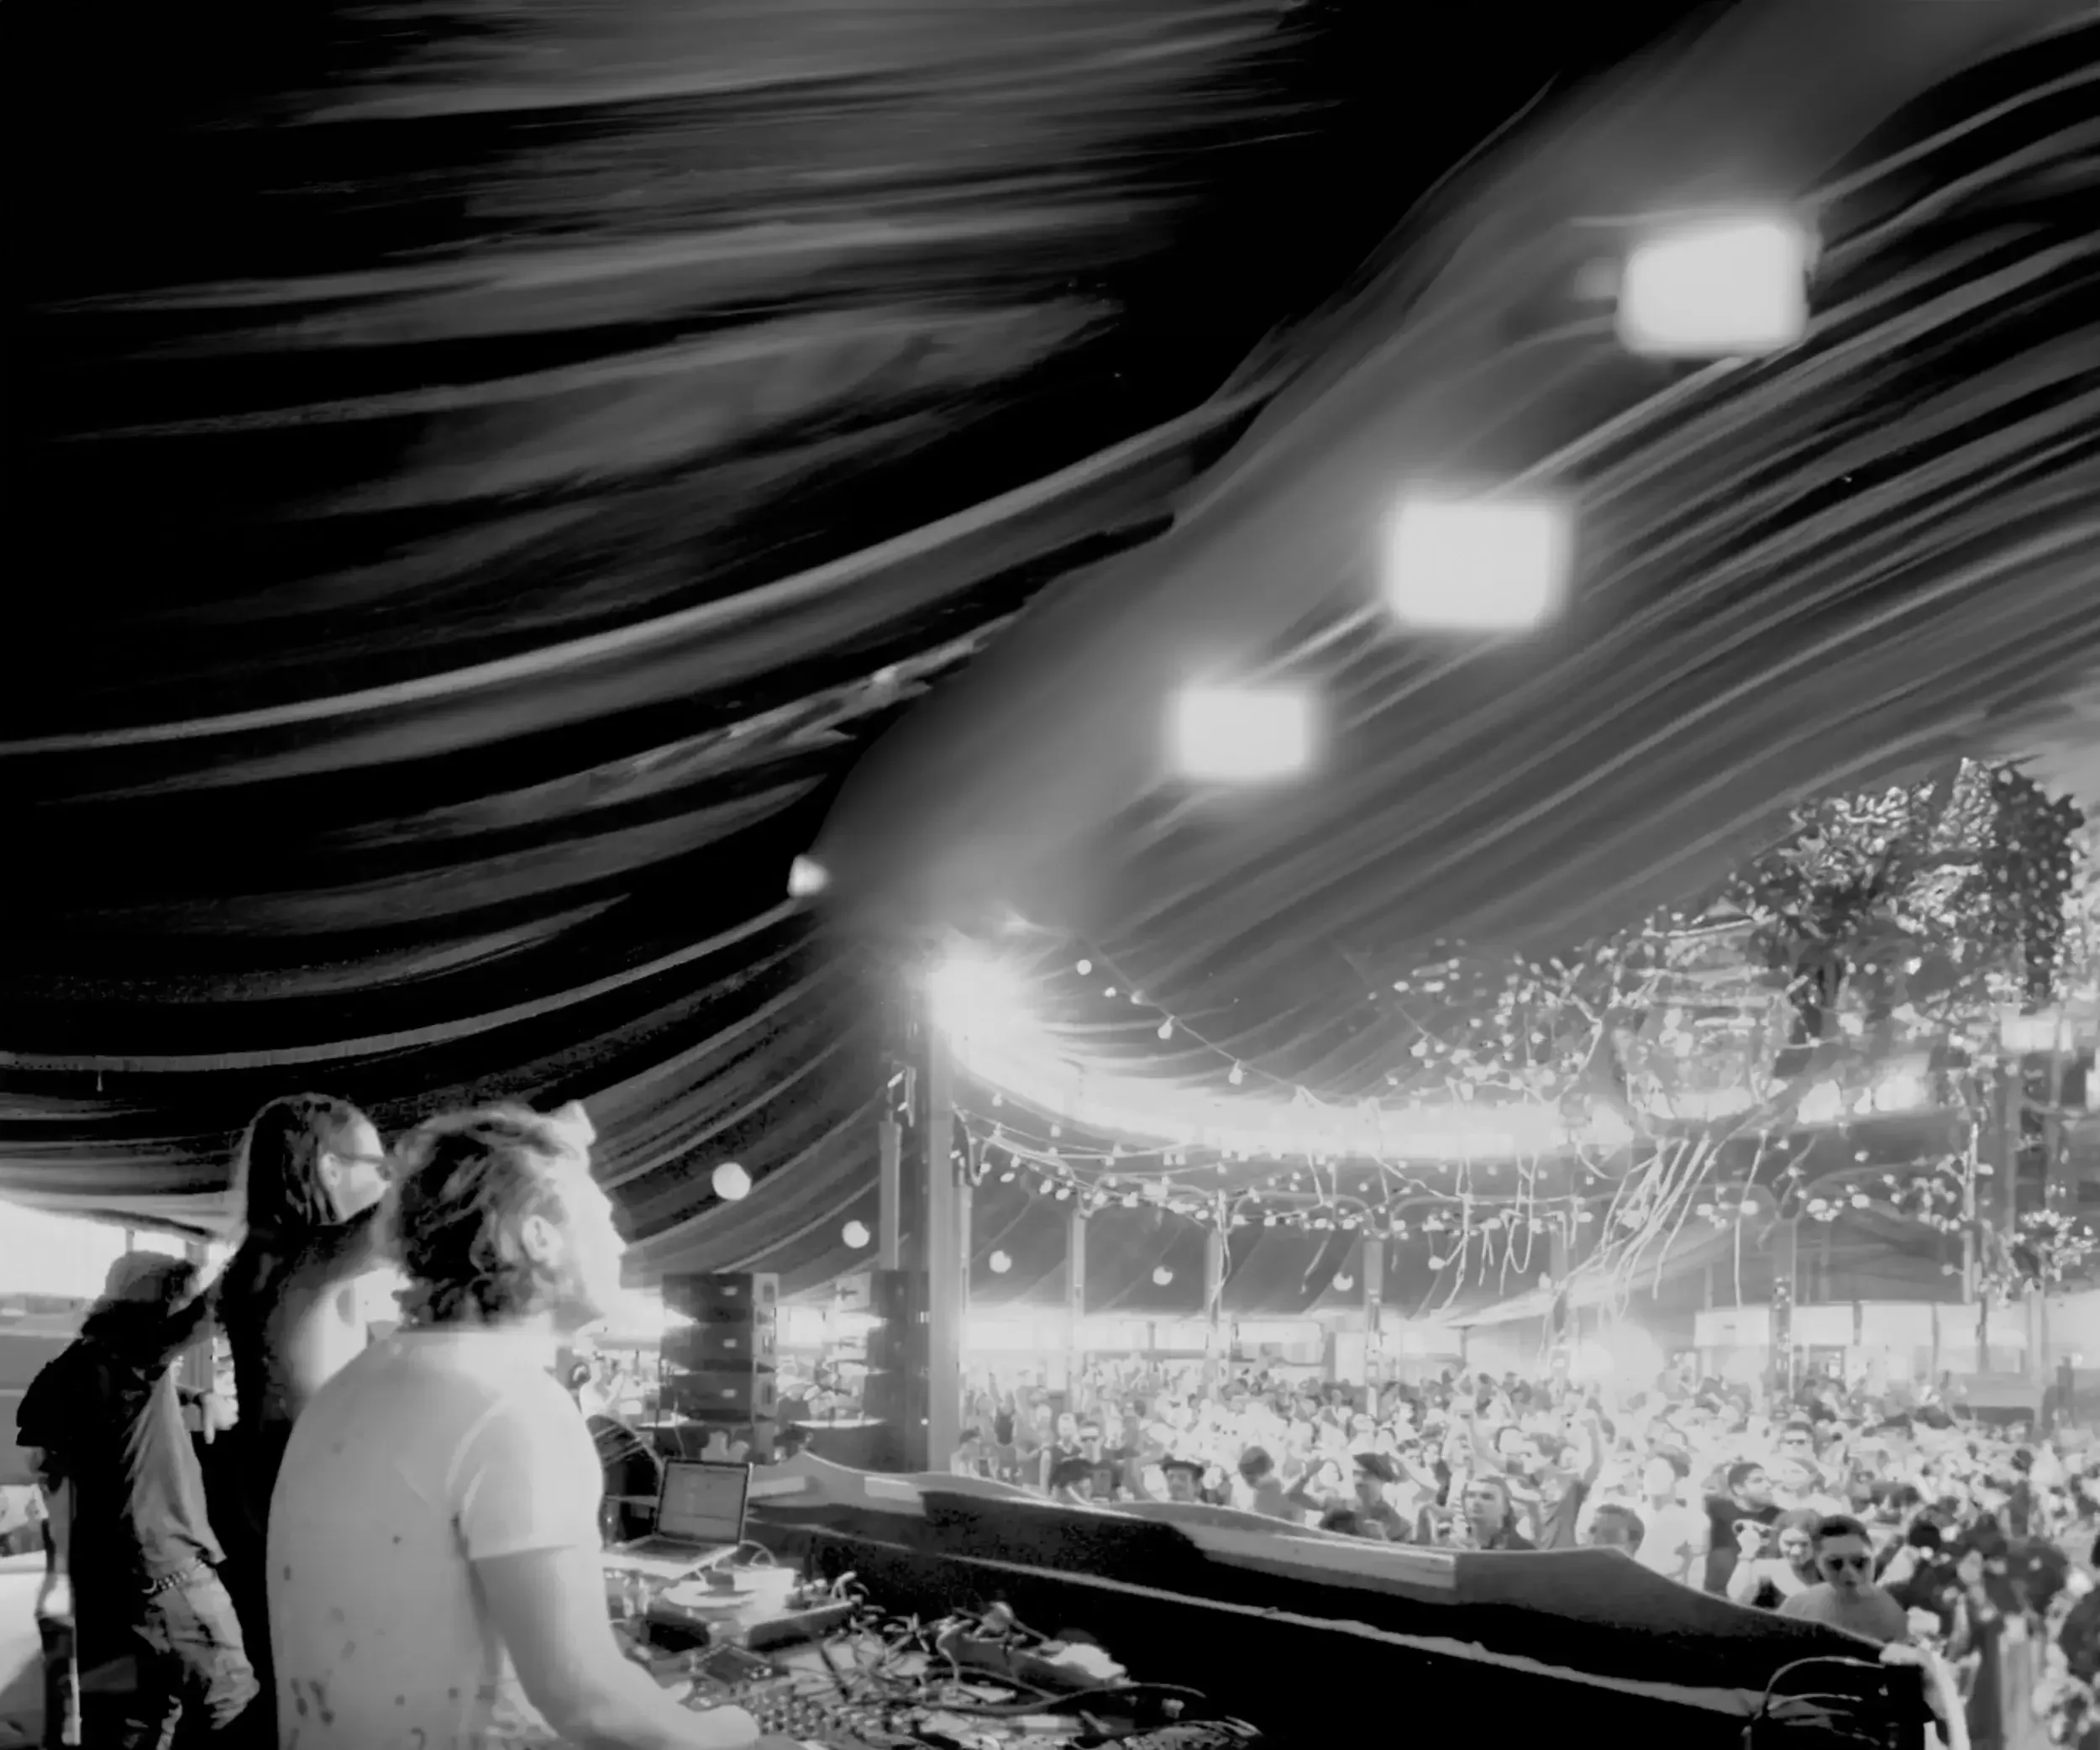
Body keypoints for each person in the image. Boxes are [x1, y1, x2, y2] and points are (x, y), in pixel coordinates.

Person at [266, 1103, 787, 1749]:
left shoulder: (355, 1384)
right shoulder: (511, 1404)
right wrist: (731, 1730)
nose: (621, 1243)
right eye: (602, 1219)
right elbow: (588, 1705)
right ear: (540, 1236)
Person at [17, 1253, 260, 1747]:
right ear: (165, 1305)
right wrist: (264, 1236)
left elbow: (42, 1453)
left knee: (138, 1722)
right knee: (234, 1705)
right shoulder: (136, 1352)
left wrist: (192, 1397)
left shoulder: (77, 1363)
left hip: (112, 1588)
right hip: (170, 1580)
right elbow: (213, 1309)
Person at [213, 1093, 394, 1734]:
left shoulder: (267, 1260)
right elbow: (412, 1213)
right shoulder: (299, 1258)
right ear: (329, 1167)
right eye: (378, 1163)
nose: (385, 1178)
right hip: (305, 1498)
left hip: (270, 1492)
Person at [1777, 1515, 1912, 1644]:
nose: (1849, 1573)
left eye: (1859, 1562)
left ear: (1873, 1556)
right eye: (1836, 1564)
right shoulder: (1798, 1605)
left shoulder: (1901, 1608)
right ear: (1818, 1563)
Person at [1704, 1461, 1779, 1594]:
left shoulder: (1779, 1517)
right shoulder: (1715, 1511)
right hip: (1719, 1589)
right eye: (1758, 1481)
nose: (1768, 1486)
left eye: (1768, 1481)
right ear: (1739, 1488)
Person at [1349, 1453, 1411, 1541]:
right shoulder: (1339, 1515)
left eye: (1366, 1475)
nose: (1359, 1480)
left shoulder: (1400, 1527)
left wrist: (1381, 1538)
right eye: (1355, 1473)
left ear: (1382, 1481)